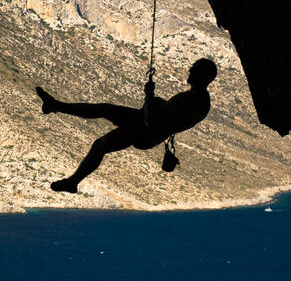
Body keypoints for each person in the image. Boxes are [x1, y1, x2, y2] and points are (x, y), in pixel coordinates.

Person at [36, 58, 218, 193]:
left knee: (103, 112)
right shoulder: (201, 101)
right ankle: (72, 182)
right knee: (99, 143)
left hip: (144, 129)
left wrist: (149, 96)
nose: (190, 72)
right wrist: (156, 103)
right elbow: (170, 117)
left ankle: (55, 106)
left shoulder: (192, 99)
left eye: (193, 70)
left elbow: (156, 118)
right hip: (147, 132)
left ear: (202, 75)